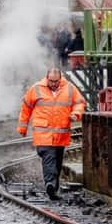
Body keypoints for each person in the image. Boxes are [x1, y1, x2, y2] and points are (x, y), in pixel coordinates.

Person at [16, 68, 86, 200]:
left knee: (57, 162)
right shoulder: (36, 89)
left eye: (56, 81)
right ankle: (50, 185)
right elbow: (26, 108)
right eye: (51, 81)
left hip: (61, 135)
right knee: (49, 159)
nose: (53, 84)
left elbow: (80, 103)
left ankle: (53, 189)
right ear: (46, 78)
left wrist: (75, 114)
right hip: (43, 134)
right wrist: (22, 128)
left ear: (61, 79)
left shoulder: (69, 88)